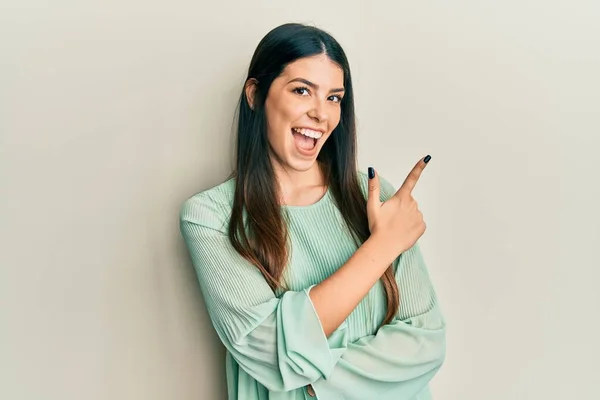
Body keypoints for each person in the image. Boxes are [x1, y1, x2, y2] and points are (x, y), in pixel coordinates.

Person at [179, 23, 446, 400]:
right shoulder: (211, 217)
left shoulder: (373, 196)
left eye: (334, 97)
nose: (321, 114)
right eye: (302, 90)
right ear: (255, 95)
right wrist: (382, 246)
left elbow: (427, 340)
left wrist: (308, 378)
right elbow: (271, 351)